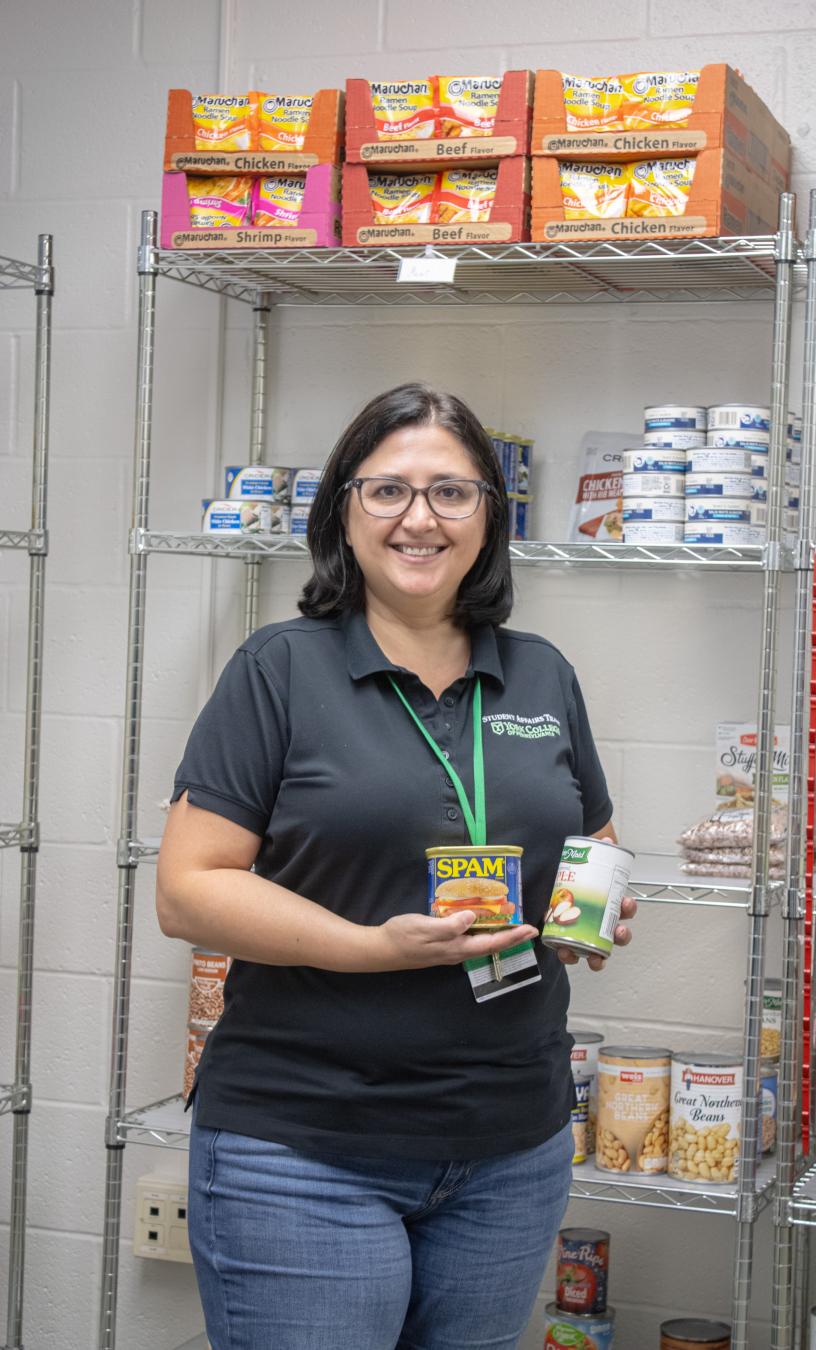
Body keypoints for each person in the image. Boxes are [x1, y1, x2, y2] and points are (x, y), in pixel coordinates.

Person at [157, 383, 636, 1350]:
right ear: (346, 510)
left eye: (451, 493)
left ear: (489, 517)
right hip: (304, 1148)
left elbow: (595, 834)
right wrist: (372, 947)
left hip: (512, 1143)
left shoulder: (541, 671)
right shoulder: (279, 670)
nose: (420, 518)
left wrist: (593, 907)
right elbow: (190, 887)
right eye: (388, 491)